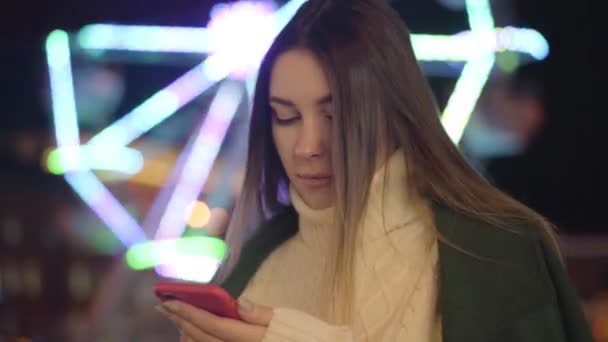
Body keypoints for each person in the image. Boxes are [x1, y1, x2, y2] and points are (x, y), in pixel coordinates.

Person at [155, 0, 593, 340]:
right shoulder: (257, 262)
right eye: (285, 117)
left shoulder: (497, 252)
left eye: (335, 115)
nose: (308, 147)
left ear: (395, 110)